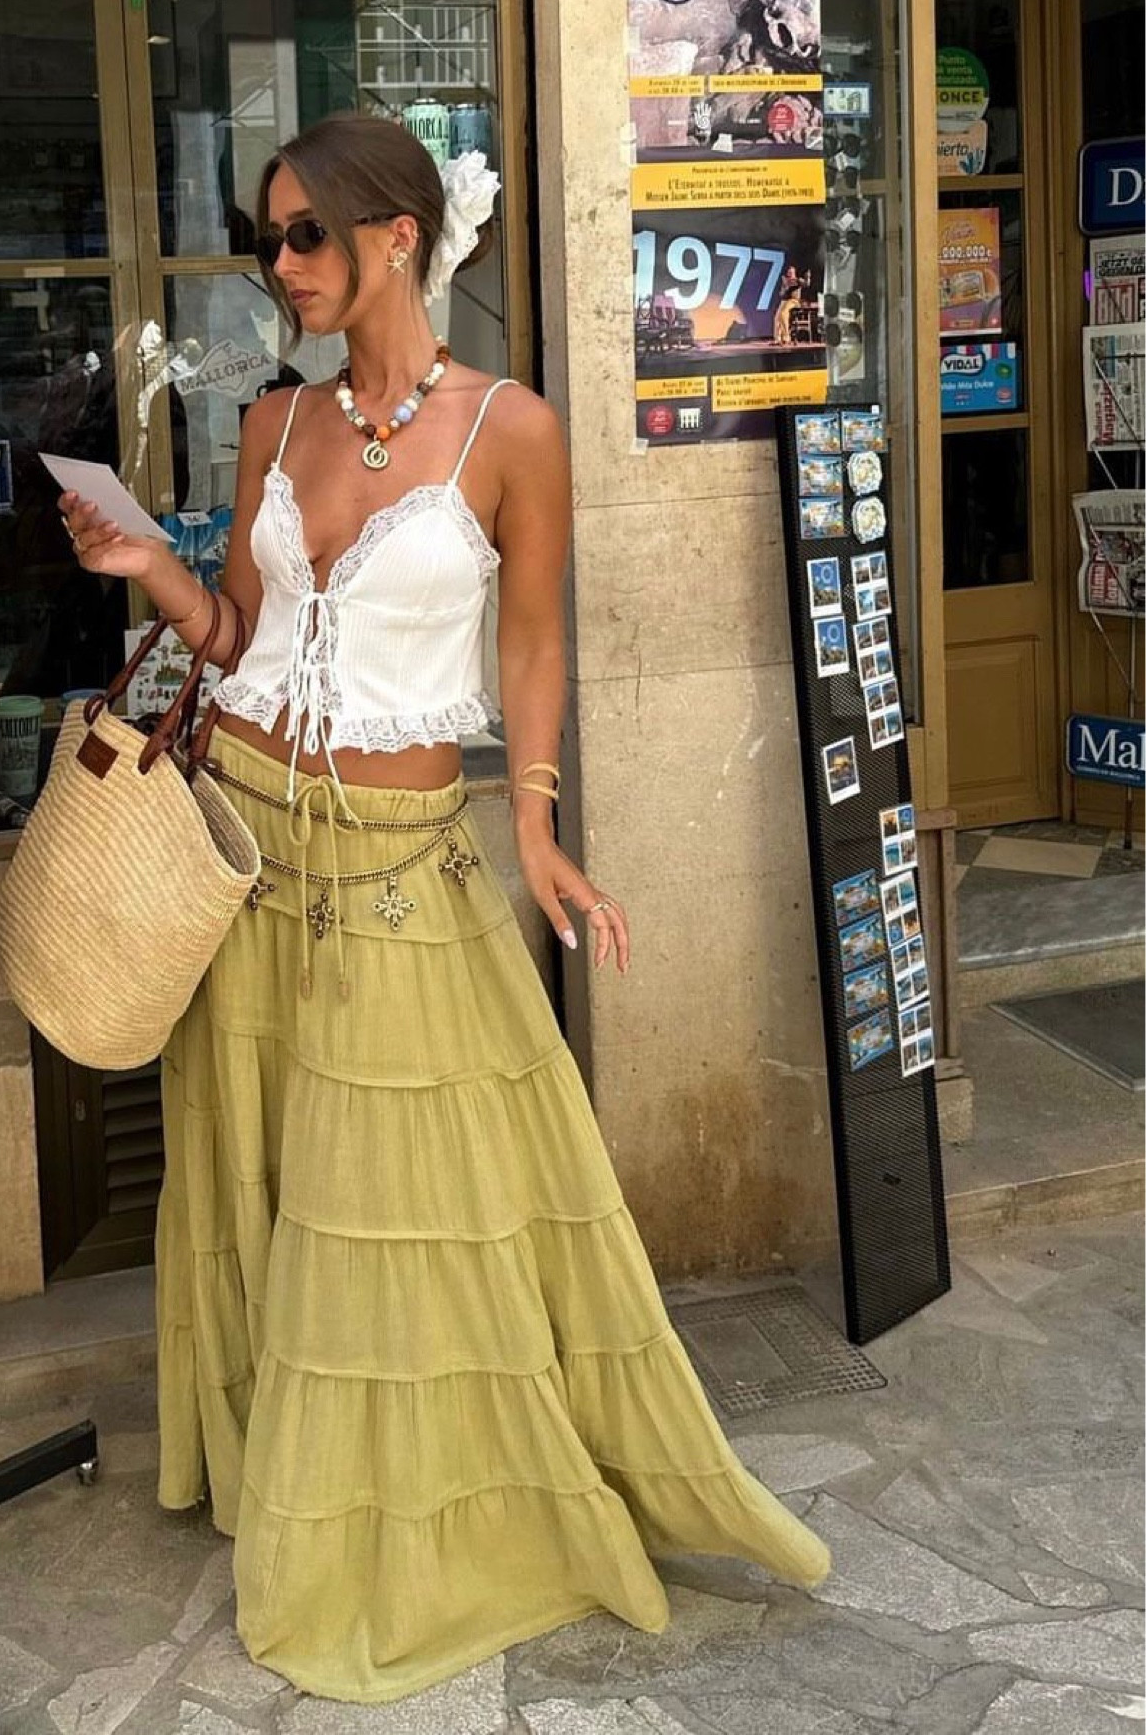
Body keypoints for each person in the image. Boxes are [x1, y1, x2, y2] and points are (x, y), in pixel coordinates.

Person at [59, 113, 830, 1704]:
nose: (278, 268)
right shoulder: (273, 428)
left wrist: (536, 822)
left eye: (303, 237)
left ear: (398, 234)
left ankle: (410, 1519)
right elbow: (239, 638)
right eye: (267, 239)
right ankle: (286, 1468)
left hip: (407, 858)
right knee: (270, 1181)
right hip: (247, 856)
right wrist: (150, 567)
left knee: (401, 1206)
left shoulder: (512, 434)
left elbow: (535, 645)